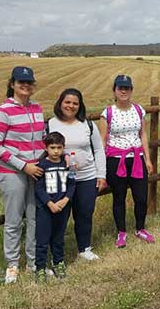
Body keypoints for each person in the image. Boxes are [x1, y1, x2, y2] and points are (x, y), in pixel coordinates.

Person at [0, 66, 45, 284]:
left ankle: (32, 263)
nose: (25, 86)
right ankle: (12, 265)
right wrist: (23, 165)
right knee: (13, 220)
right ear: (12, 84)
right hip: (12, 172)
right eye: (21, 82)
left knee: (34, 219)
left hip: (36, 171)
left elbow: (41, 139)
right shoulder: (3, 111)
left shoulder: (37, 109)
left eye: (29, 82)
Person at [46, 88, 107, 260]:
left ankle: (84, 248)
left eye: (75, 103)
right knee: (59, 216)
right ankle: (56, 254)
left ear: (80, 106)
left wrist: (101, 175)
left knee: (85, 213)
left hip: (86, 177)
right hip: (60, 179)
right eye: (67, 102)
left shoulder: (87, 125)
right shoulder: (51, 124)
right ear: (60, 103)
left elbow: (98, 150)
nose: (71, 106)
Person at [99, 75, 156, 248]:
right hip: (116, 160)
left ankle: (140, 228)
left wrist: (147, 159)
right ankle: (121, 232)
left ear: (131, 90)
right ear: (114, 90)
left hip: (137, 159)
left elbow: (143, 135)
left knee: (140, 197)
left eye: (127, 88)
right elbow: (102, 140)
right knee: (119, 197)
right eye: (120, 88)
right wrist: (100, 167)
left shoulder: (139, 110)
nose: (124, 91)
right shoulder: (107, 113)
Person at [34, 132, 76, 283]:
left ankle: (58, 262)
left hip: (63, 206)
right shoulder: (41, 166)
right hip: (46, 208)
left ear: (64, 147)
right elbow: (38, 188)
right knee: (42, 239)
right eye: (52, 147)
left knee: (59, 237)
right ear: (46, 148)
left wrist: (65, 200)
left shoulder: (68, 164)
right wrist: (49, 203)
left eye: (59, 147)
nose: (56, 151)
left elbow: (72, 184)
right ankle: (40, 267)